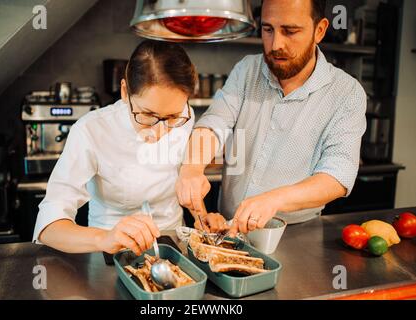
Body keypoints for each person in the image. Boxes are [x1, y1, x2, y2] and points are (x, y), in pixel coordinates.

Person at [176, 0, 367, 237]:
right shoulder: (247, 70)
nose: (276, 44)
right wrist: (193, 167)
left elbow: (338, 175)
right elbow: (215, 122)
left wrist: (275, 200)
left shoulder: (346, 93)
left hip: (296, 235)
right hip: (229, 228)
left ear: (319, 30)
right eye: (268, 30)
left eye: (290, 31)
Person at [33, 40, 224, 256]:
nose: (159, 131)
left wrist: (201, 217)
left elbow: (182, 178)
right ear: (125, 92)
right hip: (110, 252)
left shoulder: (182, 115)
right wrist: (103, 238)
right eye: (147, 115)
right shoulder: (91, 130)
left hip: (173, 246)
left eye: (171, 117)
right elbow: (48, 227)